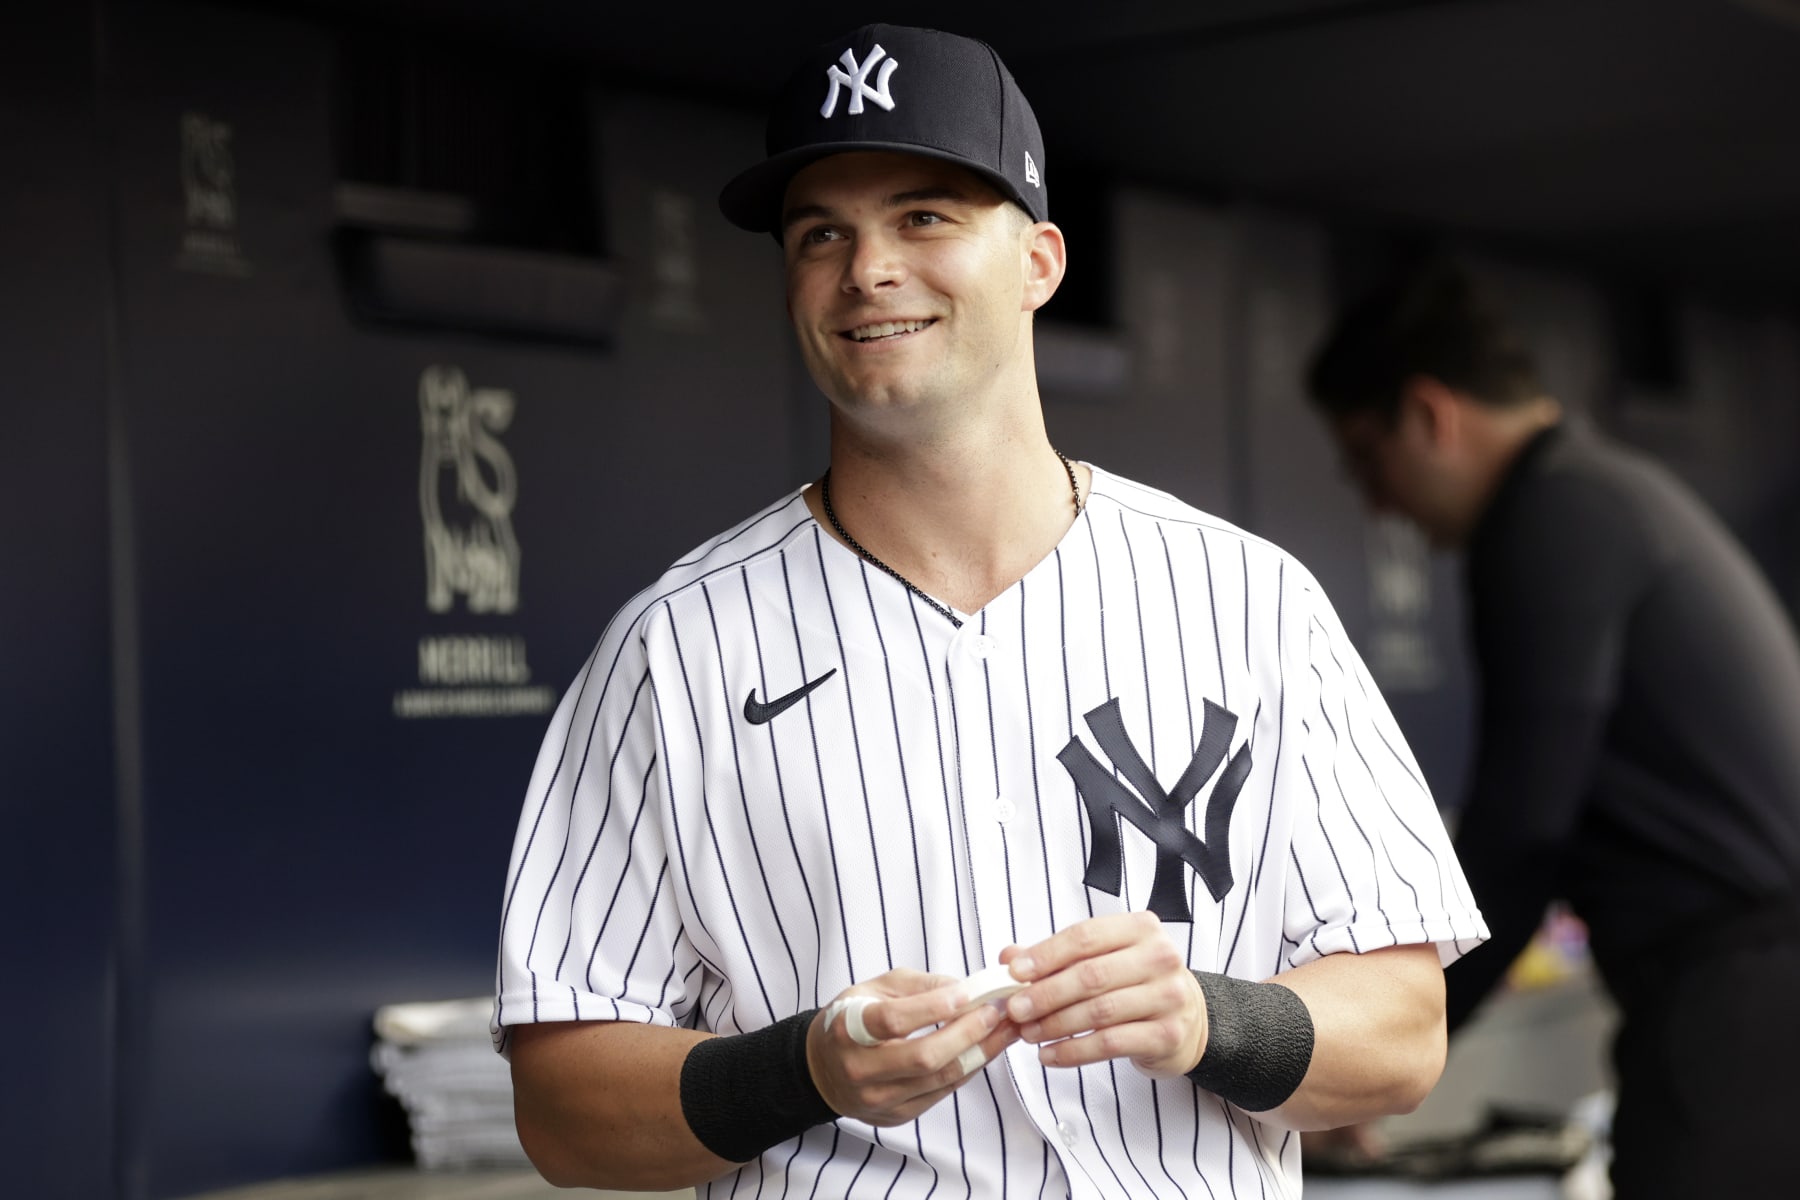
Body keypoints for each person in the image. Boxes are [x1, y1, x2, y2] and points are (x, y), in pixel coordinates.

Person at [492, 25, 1487, 1198]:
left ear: (1040, 264)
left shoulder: (1252, 601)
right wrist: (804, 1068)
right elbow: (564, 1113)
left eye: (925, 217)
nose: (867, 269)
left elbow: (1405, 1035)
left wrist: (1209, 1021)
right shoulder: (677, 649)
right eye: (822, 234)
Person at [1306, 260, 1800, 1197]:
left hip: (1745, 1012)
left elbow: (1521, 832)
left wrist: (1374, 1054)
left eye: (1370, 459)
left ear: (1431, 415)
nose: (1377, 503)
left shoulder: (1550, 518)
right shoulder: (1606, 492)